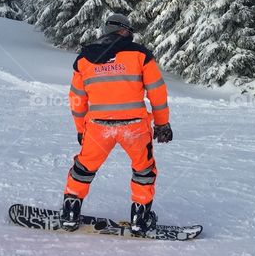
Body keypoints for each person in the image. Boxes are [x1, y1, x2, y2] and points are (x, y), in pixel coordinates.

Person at [62, 13, 173, 235]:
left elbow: (76, 99)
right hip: (134, 127)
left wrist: (81, 130)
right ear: (123, 30)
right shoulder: (140, 55)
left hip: (98, 127)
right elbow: (157, 93)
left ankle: (71, 211)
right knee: (144, 170)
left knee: (84, 168)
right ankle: (140, 218)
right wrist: (162, 124)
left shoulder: (84, 59)